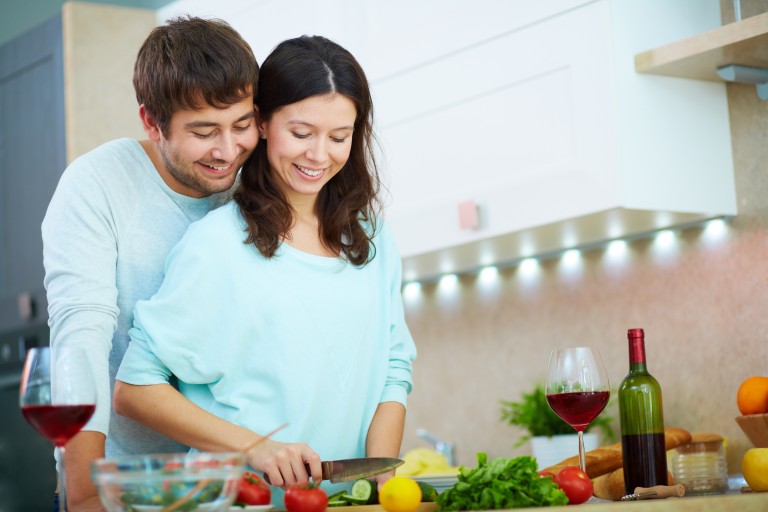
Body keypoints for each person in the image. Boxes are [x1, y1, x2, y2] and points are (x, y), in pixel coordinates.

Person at [113, 35, 417, 503]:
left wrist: (376, 487)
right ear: (262, 122)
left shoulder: (370, 235)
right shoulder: (217, 245)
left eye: (339, 137)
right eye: (301, 133)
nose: (319, 155)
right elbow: (136, 388)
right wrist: (257, 448)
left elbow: (394, 370)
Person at [41, 16, 259, 510]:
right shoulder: (96, 185)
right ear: (151, 122)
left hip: (235, 486)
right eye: (204, 131)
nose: (228, 151)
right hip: (124, 485)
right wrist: (86, 495)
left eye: (242, 125)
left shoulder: (255, 186)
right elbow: (82, 339)